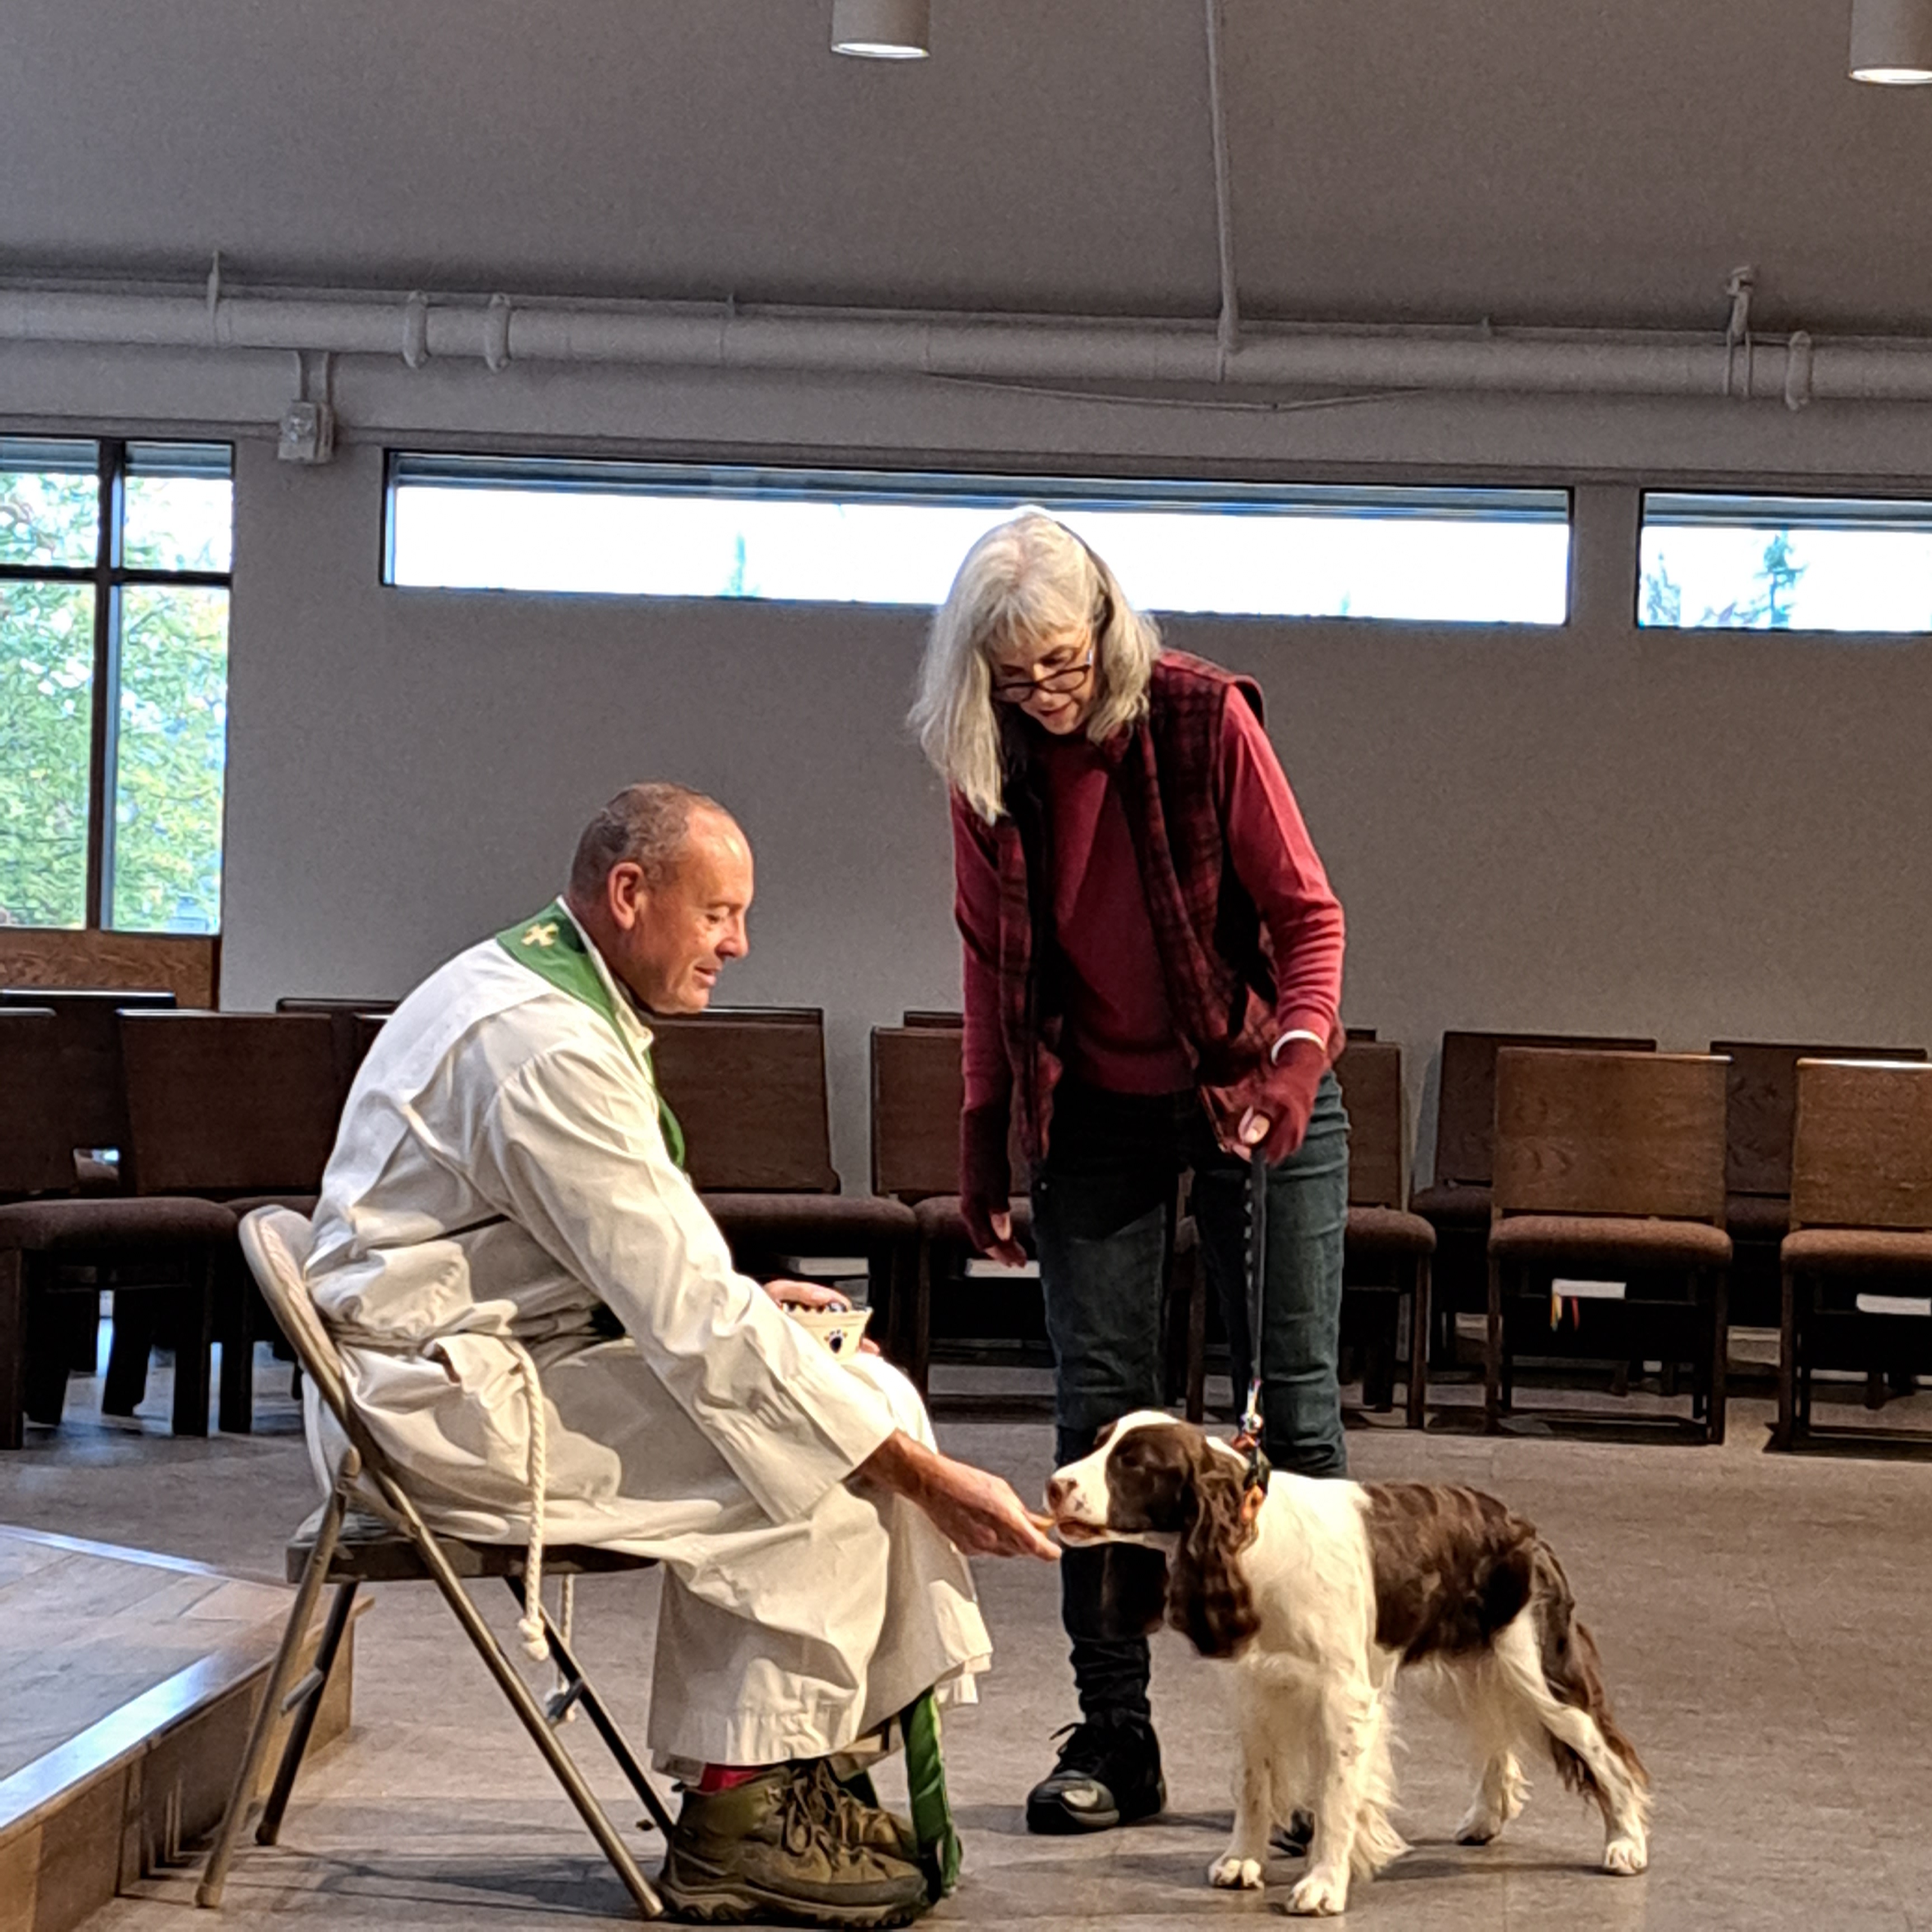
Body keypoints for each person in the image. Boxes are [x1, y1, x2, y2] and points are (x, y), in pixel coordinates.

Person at [304, 782, 1057, 1929]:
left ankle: (799, 1767)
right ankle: (739, 1814)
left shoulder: (544, 992)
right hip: (437, 1412)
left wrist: (757, 1307)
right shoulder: (541, 1045)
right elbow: (690, 1318)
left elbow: (629, 1260)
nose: (738, 944)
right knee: (815, 1459)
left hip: (485, 1360)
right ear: (629, 893)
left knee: (849, 1394)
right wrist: (923, 1476)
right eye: (719, 913)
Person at [910, 512, 1348, 1837]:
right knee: (1096, 1427)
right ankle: (1116, 1737)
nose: (1047, 693)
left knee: (1294, 1422)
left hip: (1253, 1084)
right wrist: (985, 1132)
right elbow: (989, 962)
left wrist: (1296, 1062)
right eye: (1016, 676)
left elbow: (1308, 917)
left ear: (1106, 624)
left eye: (1063, 662)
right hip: (1094, 1104)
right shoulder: (989, 764)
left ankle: (1310, 1760)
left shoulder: (1203, 717)